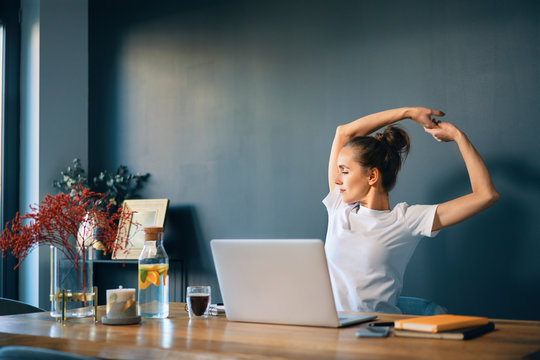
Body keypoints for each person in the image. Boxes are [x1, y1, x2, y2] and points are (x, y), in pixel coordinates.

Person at [324, 107, 499, 313]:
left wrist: (459, 137)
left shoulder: (406, 220)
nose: (337, 179)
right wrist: (409, 113)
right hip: (333, 330)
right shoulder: (339, 207)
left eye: (344, 171)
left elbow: (486, 195)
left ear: (372, 176)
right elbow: (343, 133)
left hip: (378, 332)